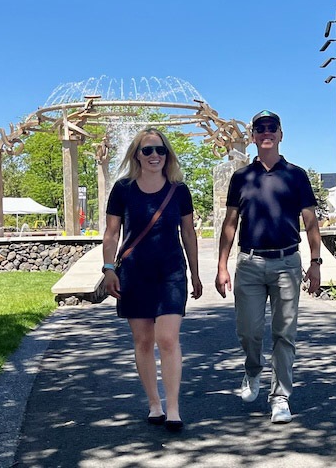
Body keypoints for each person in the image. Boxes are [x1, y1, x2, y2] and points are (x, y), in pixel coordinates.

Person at [215, 110, 322, 424]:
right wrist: (222, 265)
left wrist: (315, 262)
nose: (266, 132)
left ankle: (280, 398)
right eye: (260, 128)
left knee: (284, 334)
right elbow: (230, 223)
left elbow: (311, 223)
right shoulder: (241, 177)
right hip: (249, 263)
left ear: (280, 134)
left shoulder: (296, 175)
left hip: (287, 263)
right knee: (248, 331)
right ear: (252, 136)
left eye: (271, 127)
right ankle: (252, 370)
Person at [101, 128, 202, 432]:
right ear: (136, 155)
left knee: (167, 339)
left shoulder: (179, 190)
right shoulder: (123, 189)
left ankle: (173, 408)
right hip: (134, 273)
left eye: (160, 150)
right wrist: (108, 268)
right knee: (143, 341)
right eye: (147, 150)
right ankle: (154, 403)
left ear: (167, 155)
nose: (154, 155)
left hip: (171, 272)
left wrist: (196, 273)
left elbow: (188, 233)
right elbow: (112, 233)